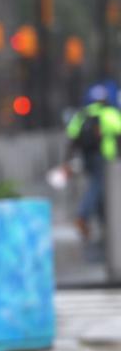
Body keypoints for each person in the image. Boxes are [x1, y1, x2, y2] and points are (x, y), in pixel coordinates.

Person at [65, 86, 121, 241]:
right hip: (104, 158)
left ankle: (105, 224)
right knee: (98, 187)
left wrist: (67, 161)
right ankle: (83, 215)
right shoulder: (109, 113)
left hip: (86, 158)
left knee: (101, 191)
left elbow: (71, 138)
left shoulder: (82, 114)